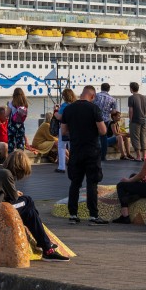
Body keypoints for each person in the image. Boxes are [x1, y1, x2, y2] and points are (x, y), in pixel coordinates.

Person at [0, 143, 70, 261]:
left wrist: (13, 193)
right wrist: (15, 193)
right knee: (27, 202)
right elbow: (14, 198)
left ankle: (44, 244)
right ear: (18, 169)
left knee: (29, 211)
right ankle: (46, 248)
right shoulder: (6, 174)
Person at [62, 85, 107, 224]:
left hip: (76, 150)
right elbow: (103, 130)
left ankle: (73, 215)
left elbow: (63, 131)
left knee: (75, 183)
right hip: (92, 151)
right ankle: (93, 216)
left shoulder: (69, 109)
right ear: (92, 96)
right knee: (92, 183)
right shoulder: (94, 108)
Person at [94, 82, 119, 161]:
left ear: (101, 88)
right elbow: (114, 111)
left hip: (95, 119)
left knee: (94, 137)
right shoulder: (112, 99)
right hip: (105, 120)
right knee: (103, 137)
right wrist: (107, 111)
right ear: (108, 89)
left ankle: (95, 155)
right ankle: (103, 156)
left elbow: (91, 105)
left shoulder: (96, 96)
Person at [54, 88, 77, 173]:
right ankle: (74, 165)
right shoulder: (76, 104)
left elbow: (59, 117)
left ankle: (62, 167)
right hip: (74, 128)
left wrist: (55, 111)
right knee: (73, 147)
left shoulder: (64, 105)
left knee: (62, 146)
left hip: (64, 127)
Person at [126, 82, 146, 161]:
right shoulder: (144, 97)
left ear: (131, 89)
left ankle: (138, 156)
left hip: (135, 120)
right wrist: (144, 116)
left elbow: (131, 110)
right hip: (143, 119)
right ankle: (144, 156)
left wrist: (130, 119)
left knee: (135, 137)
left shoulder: (131, 98)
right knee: (143, 137)